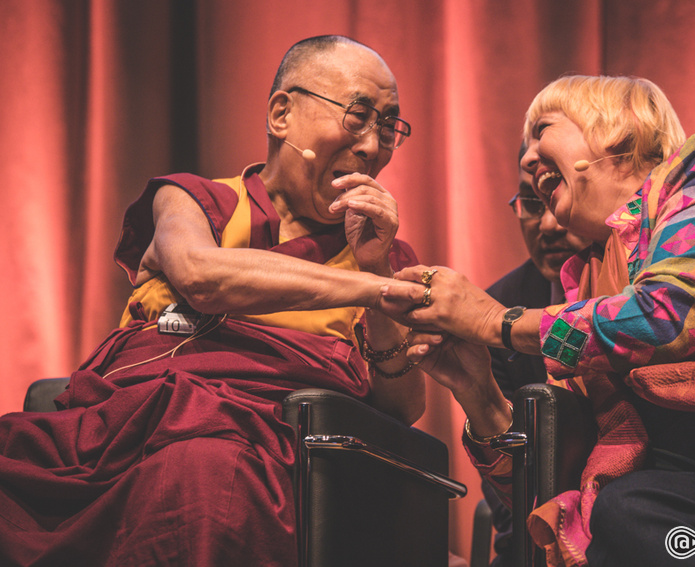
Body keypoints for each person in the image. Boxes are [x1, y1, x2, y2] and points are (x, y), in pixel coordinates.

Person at [380, 75, 695, 566]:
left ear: (613, 128)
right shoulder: (582, 280)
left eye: (543, 129)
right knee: (623, 511)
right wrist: (477, 390)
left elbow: (666, 317)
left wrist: (497, 321)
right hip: (693, 465)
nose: (527, 156)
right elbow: (549, 483)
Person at [0, 35, 428, 565]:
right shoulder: (195, 199)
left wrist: (376, 269)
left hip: (263, 450)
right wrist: (377, 289)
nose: (372, 145)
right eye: (358, 115)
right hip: (116, 435)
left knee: (206, 473)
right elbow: (199, 275)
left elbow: (404, 408)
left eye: (387, 126)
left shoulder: (382, 254)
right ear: (281, 114)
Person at [483, 143, 587, 566]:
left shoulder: (644, 291)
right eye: (530, 202)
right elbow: (505, 487)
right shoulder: (497, 307)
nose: (547, 224)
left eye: (557, 198)